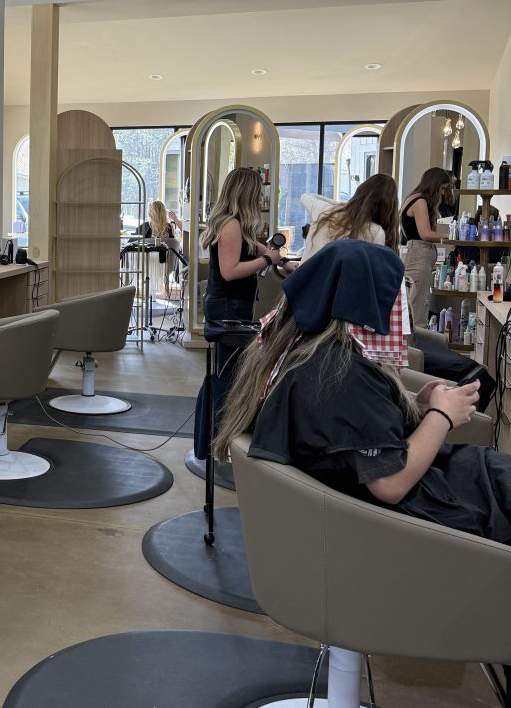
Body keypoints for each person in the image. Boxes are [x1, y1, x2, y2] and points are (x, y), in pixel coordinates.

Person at [216, 240, 511, 545]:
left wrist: (412, 408)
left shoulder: (309, 357)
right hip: (424, 516)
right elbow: (391, 483)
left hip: (437, 486)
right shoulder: (338, 375)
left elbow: (354, 435)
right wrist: (441, 416)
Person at [200, 166, 296, 325]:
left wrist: (283, 262)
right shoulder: (231, 225)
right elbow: (229, 272)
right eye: (257, 191)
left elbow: (255, 246)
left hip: (232, 302)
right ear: (247, 194)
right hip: (228, 304)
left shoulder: (238, 223)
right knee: (233, 351)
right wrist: (266, 260)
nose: (260, 196)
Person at [299, 173, 399, 263]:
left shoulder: (325, 210)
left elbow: (305, 196)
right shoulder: (375, 231)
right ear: (389, 207)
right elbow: (376, 269)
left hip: (303, 280)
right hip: (337, 283)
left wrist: (345, 206)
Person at [400, 167, 454, 326]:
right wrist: (450, 236)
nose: (443, 193)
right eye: (442, 189)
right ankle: (416, 349)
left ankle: (415, 348)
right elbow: (425, 234)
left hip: (416, 256)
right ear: (434, 185)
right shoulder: (420, 201)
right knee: (418, 312)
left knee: (415, 307)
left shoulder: (412, 198)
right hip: (418, 257)